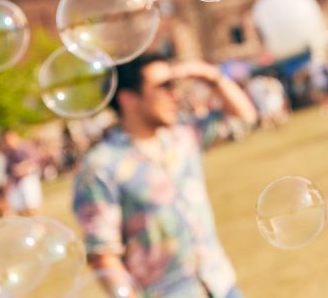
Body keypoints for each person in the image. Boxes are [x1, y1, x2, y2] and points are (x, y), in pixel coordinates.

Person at [72, 54, 257, 298]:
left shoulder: (181, 136)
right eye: (163, 87)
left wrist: (212, 76)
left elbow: (246, 117)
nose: (175, 95)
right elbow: (103, 255)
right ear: (128, 99)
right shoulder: (102, 166)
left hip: (220, 285)